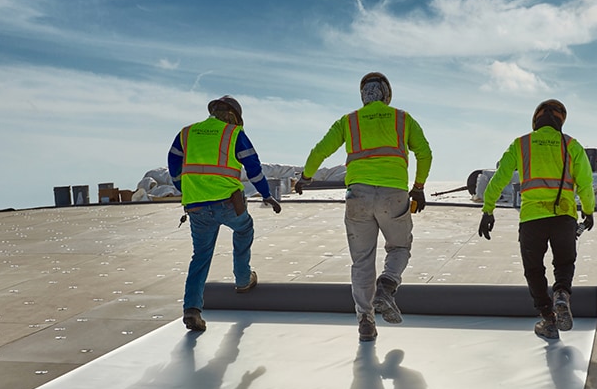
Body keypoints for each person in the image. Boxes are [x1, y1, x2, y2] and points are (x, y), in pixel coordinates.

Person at [301, 72, 433, 342]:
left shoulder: (348, 121)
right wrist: (418, 186)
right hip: (393, 195)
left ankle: (365, 320)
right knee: (399, 247)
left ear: (363, 95)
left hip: (357, 196)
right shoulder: (402, 118)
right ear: (386, 94)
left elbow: (320, 150)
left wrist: (306, 176)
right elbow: (425, 153)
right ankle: (387, 284)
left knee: (362, 261)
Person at [479, 99, 596, 339]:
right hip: (564, 216)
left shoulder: (521, 144)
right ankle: (562, 294)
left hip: (532, 219)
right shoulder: (572, 145)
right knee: (564, 263)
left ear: (536, 118)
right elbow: (585, 182)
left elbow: (499, 179)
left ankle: (548, 319)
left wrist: (488, 209)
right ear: (561, 121)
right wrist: (589, 210)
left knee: (534, 270)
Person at [170, 95, 281, 332]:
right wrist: (265, 194)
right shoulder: (233, 134)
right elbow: (253, 166)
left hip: (196, 206)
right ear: (233, 116)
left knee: (200, 256)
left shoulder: (187, 133)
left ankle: (192, 309)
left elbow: (173, 163)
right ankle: (242, 279)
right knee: (244, 228)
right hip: (228, 204)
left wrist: (184, 188)